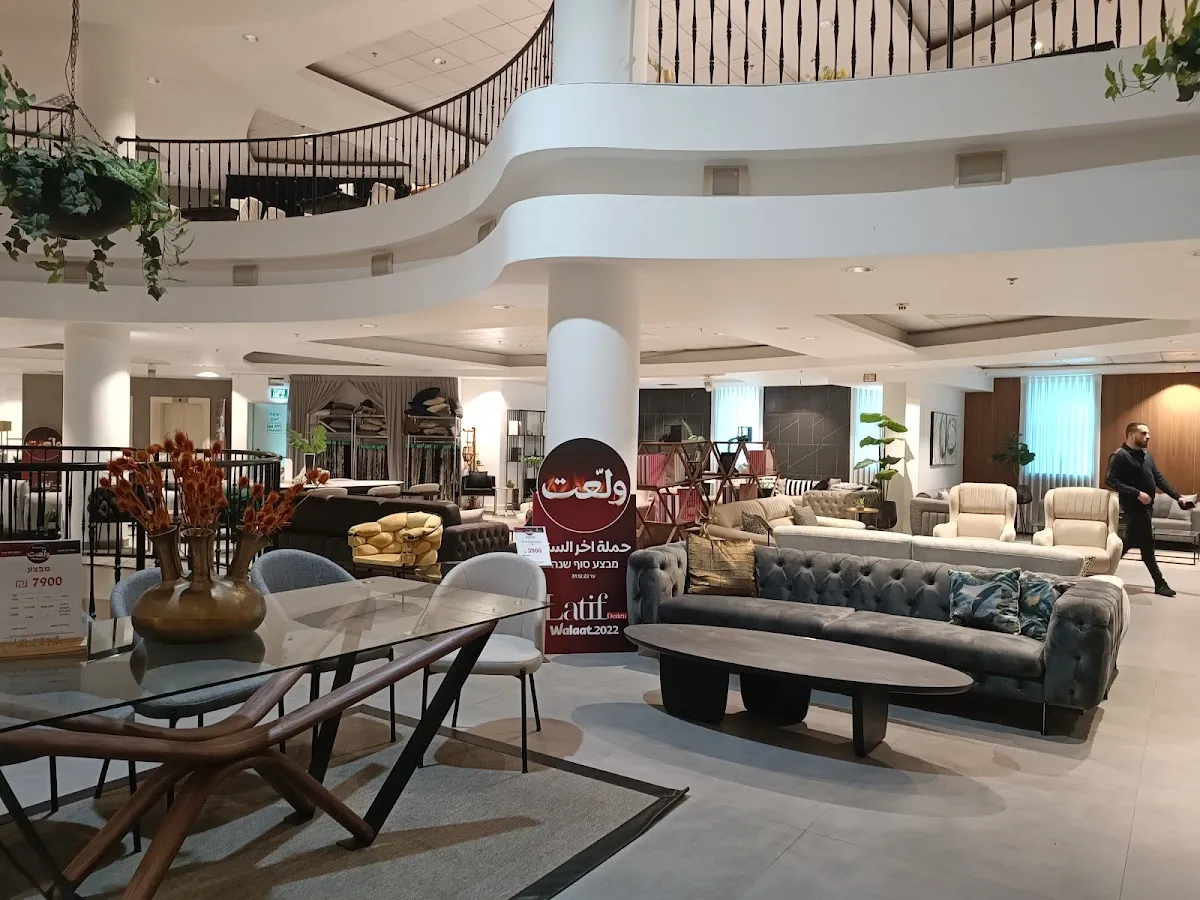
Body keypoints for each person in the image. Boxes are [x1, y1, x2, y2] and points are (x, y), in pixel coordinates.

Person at [1106, 422, 1193, 596]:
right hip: (1134, 507)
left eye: (1148, 433)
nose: (1148, 436)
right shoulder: (1120, 455)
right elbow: (1110, 480)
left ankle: (1100, 571)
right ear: (1131, 435)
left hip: (1147, 507)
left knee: (1129, 542)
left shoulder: (1146, 456)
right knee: (1147, 545)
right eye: (1144, 433)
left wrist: (1178, 497)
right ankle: (1160, 583)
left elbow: (1159, 479)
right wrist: (1137, 493)